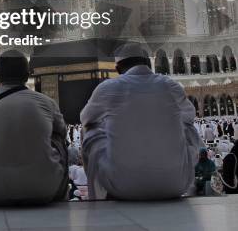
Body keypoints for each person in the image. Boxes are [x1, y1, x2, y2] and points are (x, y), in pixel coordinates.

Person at [81, 42, 202, 200]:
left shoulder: (108, 87)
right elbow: (189, 116)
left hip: (123, 187)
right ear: (147, 64)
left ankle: (98, 197)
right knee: (188, 127)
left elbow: (85, 118)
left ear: (118, 69)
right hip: (175, 184)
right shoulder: (170, 85)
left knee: (90, 129)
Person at [0, 49, 68, 205]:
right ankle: (62, 201)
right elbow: (62, 133)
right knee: (58, 137)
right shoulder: (47, 103)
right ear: (27, 75)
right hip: (44, 188)